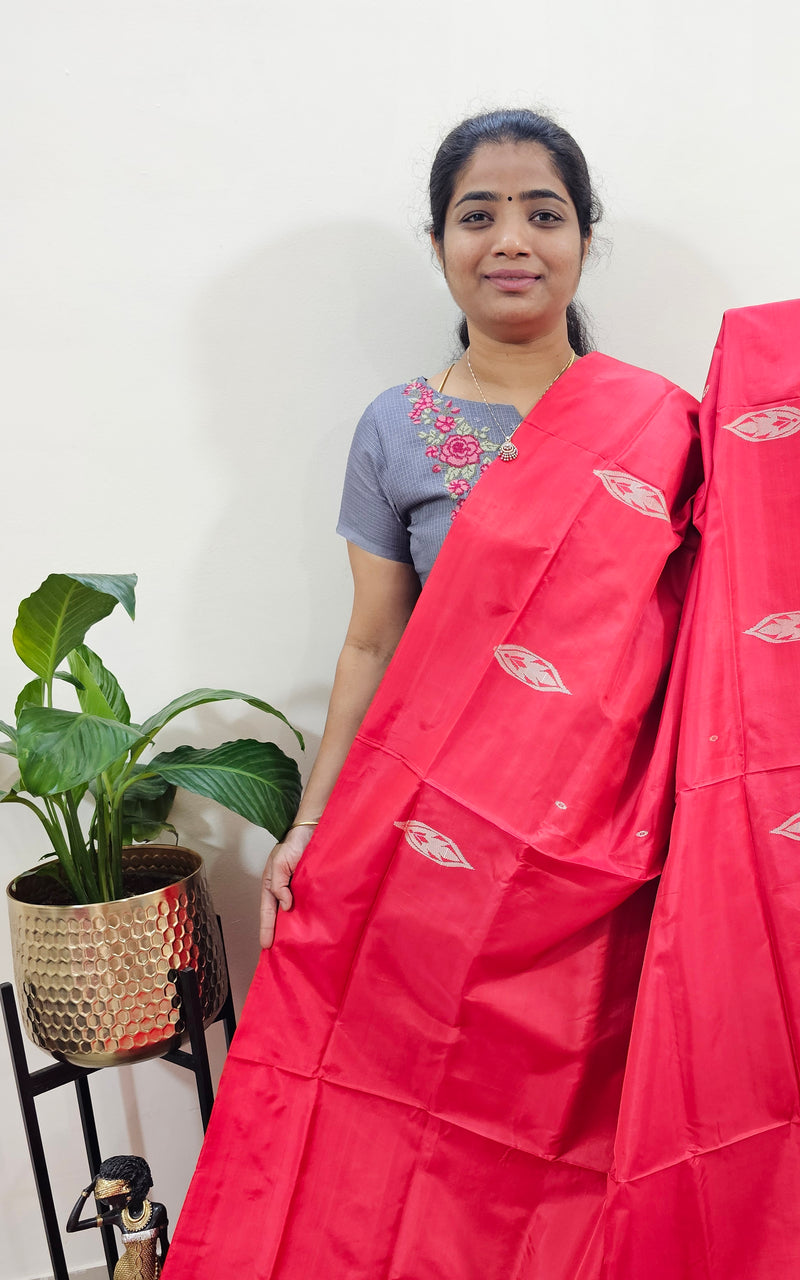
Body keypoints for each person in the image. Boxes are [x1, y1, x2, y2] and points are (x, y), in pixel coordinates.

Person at [258, 108, 598, 949]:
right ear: (441, 242)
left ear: (585, 240)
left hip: (614, 821)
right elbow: (374, 644)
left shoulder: (660, 425)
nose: (511, 240)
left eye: (544, 215)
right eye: (478, 215)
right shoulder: (396, 428)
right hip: (448, 814)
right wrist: (311, 823)